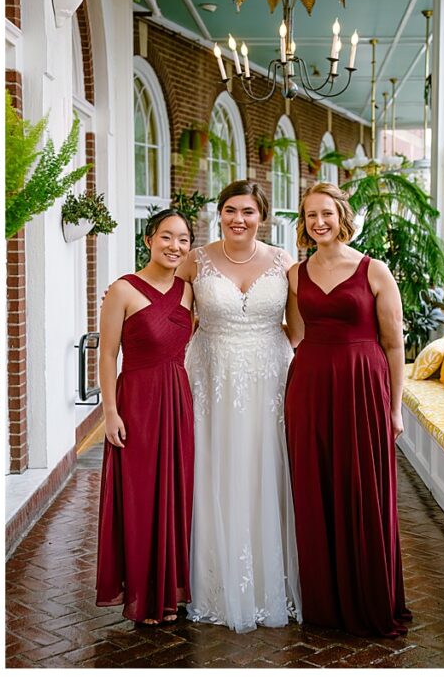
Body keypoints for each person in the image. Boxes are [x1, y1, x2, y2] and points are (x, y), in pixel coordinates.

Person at [284, 182, 412, 637]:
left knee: (361, 487)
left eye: (326, 213)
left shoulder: (375, 271)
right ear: (303, 222)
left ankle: (367, 597)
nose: (319, 222)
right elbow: (295, 334)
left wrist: (394, 410)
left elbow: (395, 345)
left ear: (341, 215)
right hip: (310, 388)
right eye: (310, 215)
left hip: (362, 386)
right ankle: (325, 602)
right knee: (315, 488)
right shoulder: (295, 275)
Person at [176, 180, 302, 633]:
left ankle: (272, 581)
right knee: (215, 468)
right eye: (230, 210)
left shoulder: (285, 262)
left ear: (261, 215)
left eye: (247, 211)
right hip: (210, 375)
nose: (238, 219)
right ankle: (212, 582)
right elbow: (175, 318)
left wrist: (277, 363)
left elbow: (299, 327)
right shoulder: (197, 260)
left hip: (270, 377)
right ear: (219, 212)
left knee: (266, 468)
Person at [95, 210, 195, 625]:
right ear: (148, 240)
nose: (175, 246)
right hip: (136, 402)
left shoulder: (191, 291)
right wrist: (110, 412)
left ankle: (170, 593)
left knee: (176, 494)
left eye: (184, 240)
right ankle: (141, 595)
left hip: (179, 401)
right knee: (139, 498)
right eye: (166, 237)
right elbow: (106, 354)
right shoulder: (122, 289)